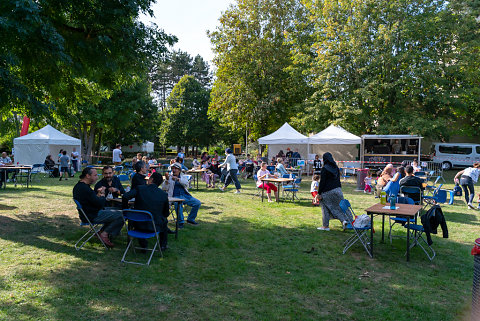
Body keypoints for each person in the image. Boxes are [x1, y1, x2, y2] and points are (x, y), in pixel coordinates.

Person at [72, 167, 124, 247]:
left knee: (121, 210)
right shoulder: (84, 188)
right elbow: (100, 204)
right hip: (92, 215)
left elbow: (93, 200)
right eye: (95, 175)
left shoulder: (81, 186)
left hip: (91, 212)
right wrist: (102, 194)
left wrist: (98, 195)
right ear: (88, 176)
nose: (97, 177)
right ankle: (104, 234)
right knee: (122, 215)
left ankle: (102, 232)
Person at [122, 172, 170, 250]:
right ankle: (163, 245)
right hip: (155, 226)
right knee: (164, 221)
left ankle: (143, 244)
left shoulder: (140, 189)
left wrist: (125, 210)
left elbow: (125, 196)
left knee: (140, 219)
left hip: (137, 224)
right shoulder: (163, 195)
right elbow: (166, 213)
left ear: (151, 179)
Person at [317, 152, 352, 231]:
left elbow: (322, 182)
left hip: (327, 192)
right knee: (339, 208)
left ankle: (325, 226)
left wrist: (319, 193)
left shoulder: (325, 168)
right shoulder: (336, 167)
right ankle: (344, 221)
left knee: (325, 207)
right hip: (338, 190)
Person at [163, 163, 201, 227]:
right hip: (175, 197)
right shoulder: (169, 177)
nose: (174, 170)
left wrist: (178, 179)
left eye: (175, 169)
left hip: (185, 196)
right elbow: (164, 188)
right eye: (172, 168)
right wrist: (166, 180)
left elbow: (186, 184)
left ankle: (190, 219)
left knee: (197, 203)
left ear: (179, 170)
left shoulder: (183, 176)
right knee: (177, 203)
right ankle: (180, 222)